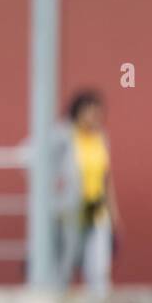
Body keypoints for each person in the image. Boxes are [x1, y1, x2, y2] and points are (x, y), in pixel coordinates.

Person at [53, 90, 121, 292]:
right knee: (67, 258)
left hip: (95, 205)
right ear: (78, 112)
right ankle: (60, 295)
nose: (94, 118)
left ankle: (99, 298)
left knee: (99, 262)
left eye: (97, 113)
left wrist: (114, 213)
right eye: (89, 112)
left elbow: (106, 177)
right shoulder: (63, 136)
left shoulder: (101, 138)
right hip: (70, 207)